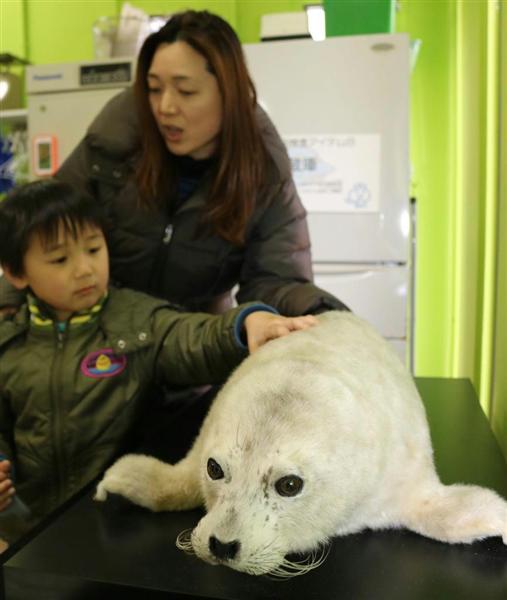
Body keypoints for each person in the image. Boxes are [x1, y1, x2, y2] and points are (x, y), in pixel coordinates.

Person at [0, 179, 317, 547]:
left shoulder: (136, 320)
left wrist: (245, 325)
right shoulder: (7, 342)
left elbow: (192, 337)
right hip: (29, 533)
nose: (84, 269)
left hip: (121, 523)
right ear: (16, 273)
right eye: (60, 259)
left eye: (93, 248)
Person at [0, 9, 347, 317]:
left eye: (186, 91)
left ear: (230, 93)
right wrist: (6, 303)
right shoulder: (119, 134)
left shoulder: (264, 169)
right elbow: (42, 226)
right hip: (100, 349)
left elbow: (277, 280)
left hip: (191, 357)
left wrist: (324, 315)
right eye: (154, 88)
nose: (165, 107)